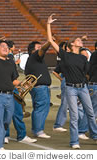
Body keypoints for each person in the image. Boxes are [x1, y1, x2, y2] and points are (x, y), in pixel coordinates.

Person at [47, 13, 97, 149]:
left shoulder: (83, 57)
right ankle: (74, 142)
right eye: (79, 40)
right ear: (72, 44)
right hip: (71, 88)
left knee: (91, 113)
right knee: (74, 116)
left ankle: (94, 135)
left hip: (83, 88)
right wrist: (48, 24)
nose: (81, 42)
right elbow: (51, 41)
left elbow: (87, 73)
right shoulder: (65, 55)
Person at [24, 40, 52, 139]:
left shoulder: (33, 59)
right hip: (40, 88)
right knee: (40, 109)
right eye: (38, 47)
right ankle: (38, 130)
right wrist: (50, 41)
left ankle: (37, 129)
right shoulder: (34, 56)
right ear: (32, 51)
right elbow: (44, 49)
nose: (41, 49)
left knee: (40, 109)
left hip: (40, 87)